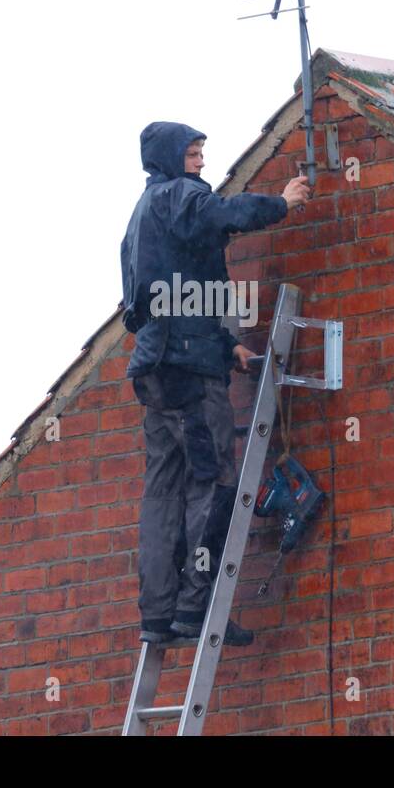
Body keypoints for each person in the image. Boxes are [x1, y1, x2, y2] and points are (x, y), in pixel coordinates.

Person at [119, 121, 311, 646]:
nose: (201, 162)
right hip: (187, 374)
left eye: (202, 153)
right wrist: (282, 202)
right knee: (215, 483)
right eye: (193, 153)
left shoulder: (142, 218)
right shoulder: (178, 197)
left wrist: (228, 347)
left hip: (157, 369)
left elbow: (179, 294)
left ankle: (158, 616)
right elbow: (222, 213)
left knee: (162, 492)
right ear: (169, 158)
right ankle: (196, 606)